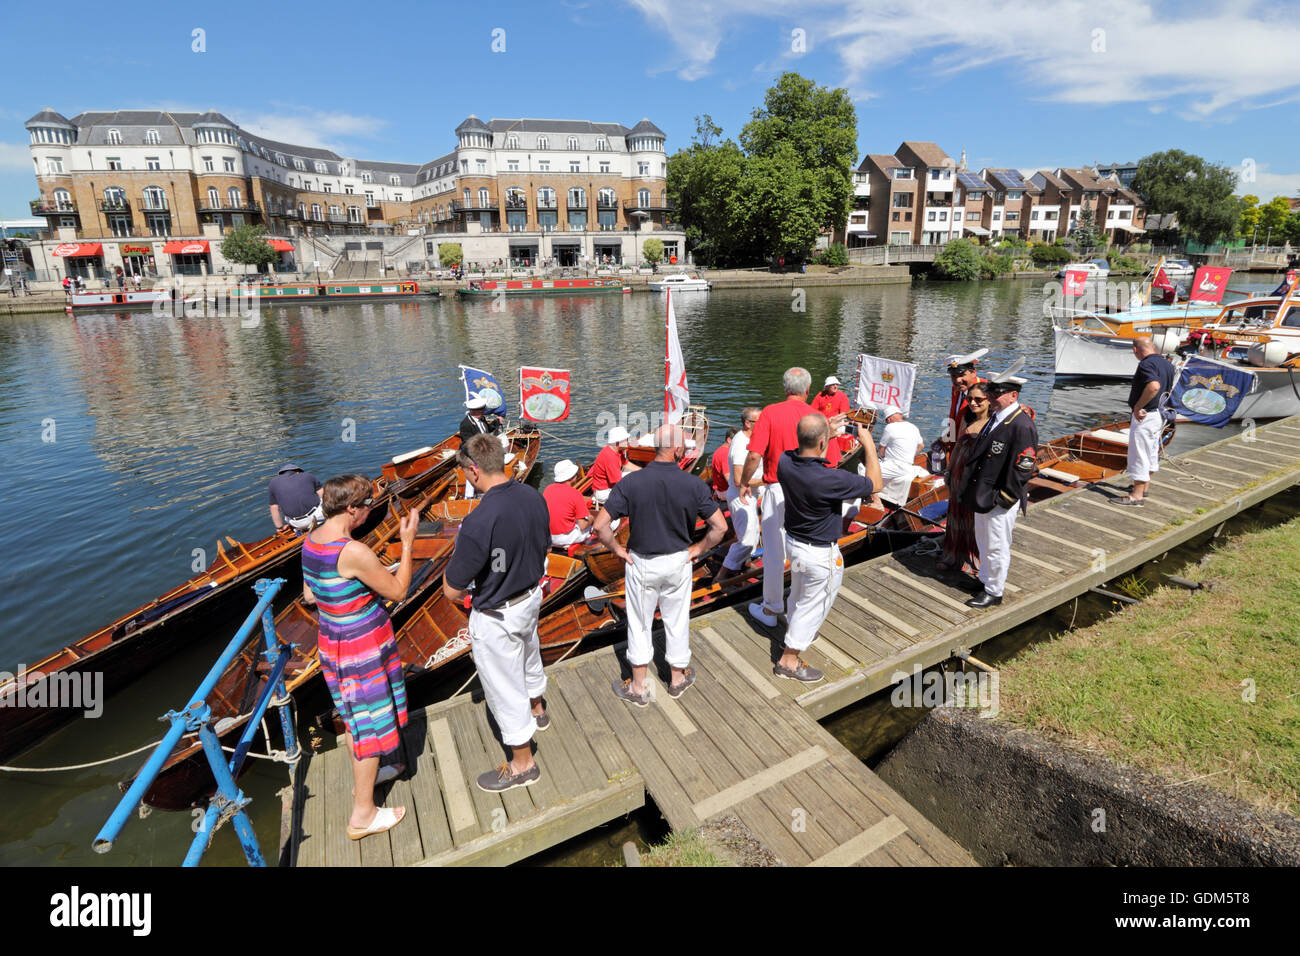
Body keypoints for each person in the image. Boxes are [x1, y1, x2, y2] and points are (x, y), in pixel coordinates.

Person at [302, 474, 417, 840]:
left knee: (356, 720)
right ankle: (362, 815)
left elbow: (309, 594)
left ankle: (369, 782)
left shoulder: (311, 541)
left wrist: (349, 592)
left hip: (332, 640)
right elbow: (399, 592)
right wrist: (408, 545)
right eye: (367, 505)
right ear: (351, 509)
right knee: (369, 728)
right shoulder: (352, 551)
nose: (370, 510)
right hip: (361, 647)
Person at [443, 433, 552, 793]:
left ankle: (523, 764)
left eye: (464, 473)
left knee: (504, 688)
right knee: (530, 653)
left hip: (498, 614)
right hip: (530, 597)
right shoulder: (534, 496)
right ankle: (538, 709)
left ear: (474, 469)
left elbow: (451, 590)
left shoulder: (478, 521)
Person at [594, 424, 727, 705]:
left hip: (642, 562)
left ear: (655, 447)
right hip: (678, 560)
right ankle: (677, 678)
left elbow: (600, 525)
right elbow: (719, 528)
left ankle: (639, 687)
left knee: (640, 623)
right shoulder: (692, 484)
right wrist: (698, 549)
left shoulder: (631, 482)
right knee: (676, 619)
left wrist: (617, 549)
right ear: (678, 450)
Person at [774, 413, 881, 681]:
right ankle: (789, 659)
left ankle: (796, 631)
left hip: (795, 545)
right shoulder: (831, 479)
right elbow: (875, 484)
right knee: (814, 604)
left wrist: (826, 434)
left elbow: (801, 446)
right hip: (819, 554)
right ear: (823, 442)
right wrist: (867, 443)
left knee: (799, 594)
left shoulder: (785, 462)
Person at [740, 367, 814, 627]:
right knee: (803, 551)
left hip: (777, 488)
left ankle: (771, 609)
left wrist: (743, 482)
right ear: (807, 390)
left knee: (773, 552)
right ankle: (799, 609)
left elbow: (753, 455)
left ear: (785, 388)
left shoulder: (770, 412)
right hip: (809, 492)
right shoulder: (816, 415)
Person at [957, 373, 1038, 608]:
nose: (991, 398)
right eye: (990, 393)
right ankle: (984, 579)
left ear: (1013, 395)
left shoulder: (1021, 424)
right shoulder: (997, 418)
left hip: (998, 498)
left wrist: (1004, 498)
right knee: (983, 540)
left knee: (997, 545)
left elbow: (1023, 467)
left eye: (997, 394)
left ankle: (994, 591)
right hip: (983, 494)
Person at [1115, 337, 1175, 506]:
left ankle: (1136, 496)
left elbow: (1154, 386)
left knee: (1139, 453)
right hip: (1160, 414)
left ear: (1135, 350)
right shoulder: (1167, 364)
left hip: (1146, 415)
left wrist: (1137, 407)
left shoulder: (1146, 364)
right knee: (1151, 451)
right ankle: (1144, 488)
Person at [939, 382, 991, 573]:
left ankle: (971, 559)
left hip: (974, 478)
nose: (973, 403)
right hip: (958, 474)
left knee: (972, 519)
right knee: (955, 516)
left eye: (978, 399)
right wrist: (949, 470)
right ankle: (952, 555)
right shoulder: (967, 418)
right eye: (970, 399)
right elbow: (957, 445)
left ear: (989, 400)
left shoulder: (995, 423)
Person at [713, 408, 762, 584]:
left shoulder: (754, 438)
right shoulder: (740, 443)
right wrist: (768, 480)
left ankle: (744, 565)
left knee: (753, 534)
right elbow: (740, 479)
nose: (763, 425)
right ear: (748, 423)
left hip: (751, 494)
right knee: (747, 538)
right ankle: (721, 576)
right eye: (759, 422)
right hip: (741, 495)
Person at [932, 350, 989, 471]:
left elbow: (1008, 409)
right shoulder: (957, 389)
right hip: (957, 451)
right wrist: (944, 440)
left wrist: (1027, 410)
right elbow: (956, 421)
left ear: (973, 372)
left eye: (962, 375)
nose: (957, 380)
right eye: (954, 376)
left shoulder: (987, 389)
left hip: (975, 455)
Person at [876, 406, 928, 506]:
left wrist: (882, 457)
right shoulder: (913, 427)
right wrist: (910, 455)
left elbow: (881, 449)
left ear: (889, 419)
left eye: (887, 421)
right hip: (908, 466)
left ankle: (875, 500)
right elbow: (921, 446)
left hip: (895, 466)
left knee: (864, 469)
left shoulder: (890, 427)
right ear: (900, 415)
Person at [544, 459, 593, 547]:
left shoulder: (548, 489)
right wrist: (591, 519)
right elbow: (582, 525)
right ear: (572, 477)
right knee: (591, 525)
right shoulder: (575, 494)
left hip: (548, 536)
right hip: (565, 538)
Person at [268, 463, 324, 532]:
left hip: (297, 524)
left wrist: (280, 527)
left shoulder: (272, 483)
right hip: (317, 516)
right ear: (298, 471)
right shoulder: (308, 476)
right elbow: (323, 495)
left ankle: (299, 530)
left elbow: (273, 508)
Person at [811, 376, 851, 467]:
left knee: (833, 433)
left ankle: (832, 458)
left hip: (836, 422)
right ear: (827, 386)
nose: (835, 386)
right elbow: (812, 411)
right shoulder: (820, 396)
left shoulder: (842, 396)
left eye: (836, 384)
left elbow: (844, 414)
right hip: (822, 422)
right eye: (833, 384)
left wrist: (833, 419)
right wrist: (824, 420)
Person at [589, 425, 631, 507]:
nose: (628, 441)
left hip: (609, 486)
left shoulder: (616, 451)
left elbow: (626, 464)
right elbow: (616, 481)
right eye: (625, 439)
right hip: (603, 492)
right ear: (618, 442)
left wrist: (642, 471)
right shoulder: (610, 457)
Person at [709, 428, 736, 500]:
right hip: (724, 492)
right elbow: (728, 477)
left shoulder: (720, 450)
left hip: (719, 489)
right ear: (729, 440)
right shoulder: (726, 454)